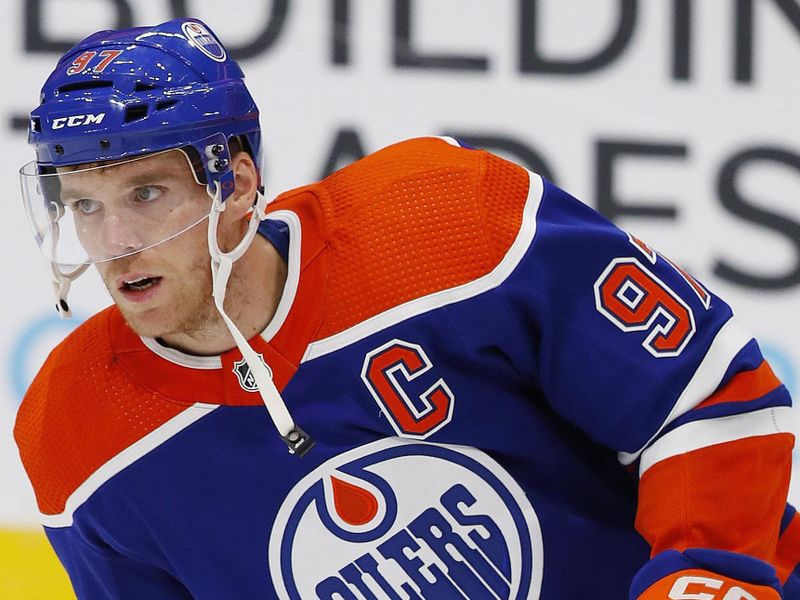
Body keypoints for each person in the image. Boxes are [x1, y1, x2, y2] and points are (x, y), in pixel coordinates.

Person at [13, 17, 800, 600]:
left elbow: (706, 392)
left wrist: (707, 574)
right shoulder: (74, 433)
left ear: (238, 182)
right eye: (83, 205)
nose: (112, 241)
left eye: (144, 194)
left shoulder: (449, 225)